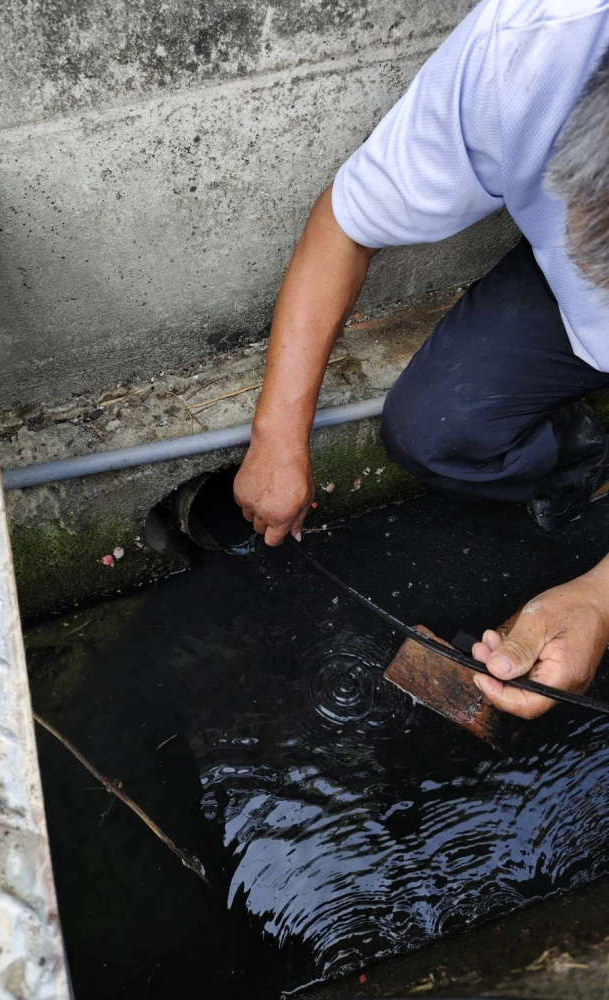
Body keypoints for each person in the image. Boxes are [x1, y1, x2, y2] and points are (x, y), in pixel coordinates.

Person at [233, 0, 609, 720]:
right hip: (573, 304)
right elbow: (347, 221)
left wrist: (598, 600)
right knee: (432, 429)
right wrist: (277, 438)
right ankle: (584, 461)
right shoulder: (536, 46)